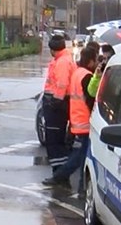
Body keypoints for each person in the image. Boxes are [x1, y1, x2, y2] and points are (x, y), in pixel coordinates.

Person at [44, 45, 98, 188]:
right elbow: (90, 100)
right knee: (80, 156)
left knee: (81, 155)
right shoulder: (87, 76)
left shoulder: (77, 72)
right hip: (86, 122)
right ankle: (60, 176)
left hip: (77, 121)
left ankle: (81, 187)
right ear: (91, 61)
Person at [41, 34, 75, 175]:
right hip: (58, 103)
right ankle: (59, 171)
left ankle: (59, 173)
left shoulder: (62, 62)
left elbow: (61, 84)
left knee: (54, 138)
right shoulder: (64, 59)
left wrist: (55, 101)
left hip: (56, 105)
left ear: (52, 49)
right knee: (56, 138)